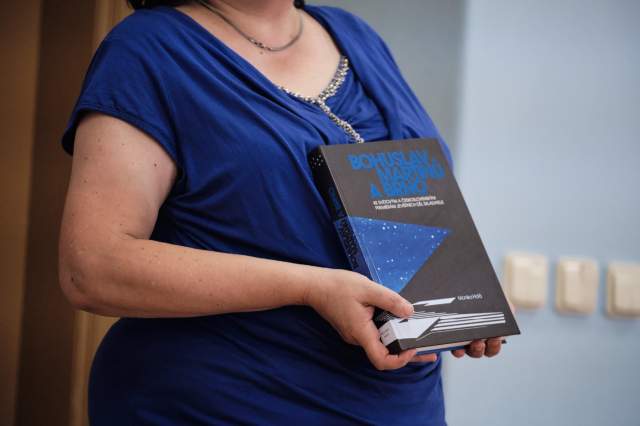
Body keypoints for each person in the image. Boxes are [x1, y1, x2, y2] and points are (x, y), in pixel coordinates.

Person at [58, 0, 505, 424]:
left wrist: (460, 292)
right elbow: (93, 267)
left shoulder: (356, 35)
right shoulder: (146, 49)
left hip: (398, 404)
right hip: (223, 401)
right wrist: (311, 287)